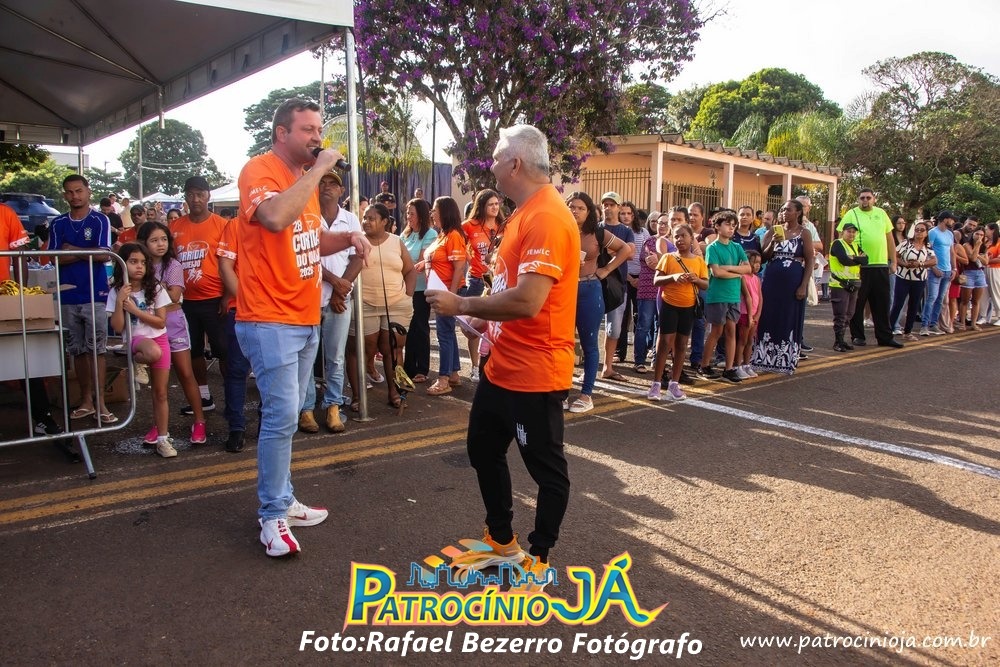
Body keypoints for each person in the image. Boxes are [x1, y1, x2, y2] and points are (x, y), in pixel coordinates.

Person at [425, 124, 580, 592]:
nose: (489, 164)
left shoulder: (547, 216)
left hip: (536, 371)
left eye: (495, 156)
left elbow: (529, 301)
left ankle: (539, 557)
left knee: (546, 470)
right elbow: (508, 286)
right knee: (483, 448)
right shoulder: (523, 213)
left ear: (515, 164)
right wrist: (479, 319)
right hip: (502, 365)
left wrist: (462, 303)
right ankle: (502, 540)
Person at [235, 97, 370, 557]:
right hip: (268, 318)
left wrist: (348, 237)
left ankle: (284, 498)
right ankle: (272, 514)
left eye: (319, 130)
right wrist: (320, 168)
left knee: (289, 416)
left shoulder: (303, 181)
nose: (318, 138)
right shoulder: (260, 170)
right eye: (308, 130)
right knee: (280, 416)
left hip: (304, 315)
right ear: (282, 133)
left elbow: (309, 239)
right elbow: (274, 217)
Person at [50, 174, 117, 425]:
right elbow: (53, 258)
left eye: (79, 190)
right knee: (77, 350)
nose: (74, 196)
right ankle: (86, 400)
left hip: (95, 294)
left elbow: (103, 254)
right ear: (64, 195)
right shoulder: (58, 223)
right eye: (69, 192)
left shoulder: (100, 220)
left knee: (97, 349)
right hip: (67, 294)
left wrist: (72, 250)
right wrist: (84, 253)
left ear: (88, 191)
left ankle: (101, 403)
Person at [300, 170, 363, 433]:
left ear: (341, 191)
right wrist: (336, 282)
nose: (326, 187)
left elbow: (358, 256)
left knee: (336, 357)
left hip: (339, 300)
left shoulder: (351, 219)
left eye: (332, 184)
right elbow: (306, 257)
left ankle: (333, 406)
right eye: (321, 183)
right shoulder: (306, 216)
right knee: (306, 357)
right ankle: (306, 408)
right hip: (308, 299)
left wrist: (340, 290)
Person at [137, 221, 208, 445]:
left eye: (164, 239)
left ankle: (199, 421)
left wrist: (149, 289)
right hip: (151, 326)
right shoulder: (140, 266)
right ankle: (160, 425)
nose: (160, 244)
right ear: (143, 243)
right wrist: (160, 289)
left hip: (174, 322)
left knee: (185, 373)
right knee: (159, 382)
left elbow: (174, 296)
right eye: (154, 240)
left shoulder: (174, 265)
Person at [344, 203, 415, 411]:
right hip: (364, 304)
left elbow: (410, 270)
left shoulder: (396, 241)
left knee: (393, 348)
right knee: (360, 350)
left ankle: (395, 392)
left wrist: (408, 295)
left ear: (385, 221)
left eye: (371, 218)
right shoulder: (356, 241)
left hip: (397, 304)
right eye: (364, 218)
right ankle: (358, 396)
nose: (366, 221)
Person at [170, 176, 229, 415]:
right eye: (191, 194)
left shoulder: (222, 225)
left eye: (200, 194)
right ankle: (204, 396)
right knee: (193, 350)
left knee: (224, 350)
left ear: (208, 196)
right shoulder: (174, 227)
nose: (195, 199)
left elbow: (231, 263)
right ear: (185, 197)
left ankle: (231, 396)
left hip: (215, 299)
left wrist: (227, 296)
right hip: (185, 302)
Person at [107, 243, 173, 456]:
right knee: (152, 353)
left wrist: (135, 310)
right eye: (133, 261)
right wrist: (120, 301)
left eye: (143, 262)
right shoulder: (116, 291)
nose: (139, 267)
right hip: (136, 339)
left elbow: (161, 322)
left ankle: (162, 439)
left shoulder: (156, 288)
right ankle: (137, 362)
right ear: (123, 264)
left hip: (159, 338)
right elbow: (117, 326)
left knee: (161, 393)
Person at [566, 192, 630, 412]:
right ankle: (561, 392)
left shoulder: (597, 233)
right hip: (563, 291)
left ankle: (586, 395)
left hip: (589, 290)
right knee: (563, 344)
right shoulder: (559, 229)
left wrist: (606, 269)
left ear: (589, 212)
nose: (575, 211)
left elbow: (626, 249)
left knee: (589, 344)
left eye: (580, 208)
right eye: (571, 206)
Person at [752, 199, 815, 374]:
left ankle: (785, 359)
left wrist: (803, 285)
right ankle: (763, 358)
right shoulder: (773, 230)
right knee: (769, 315)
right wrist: (773, 242)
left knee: (788, 317)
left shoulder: (804, 233)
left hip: (793, 283)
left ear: (798, 213)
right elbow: (763, 257)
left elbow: (810, 260)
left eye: (788, 210)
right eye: (782, 210)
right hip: (772, 281)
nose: (784, 213)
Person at [648, 224, 707, 401]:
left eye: (683, 236)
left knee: (681, 345)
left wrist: (696, 279)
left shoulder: (698, 261)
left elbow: (706, 284)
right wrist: (673, 277)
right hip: (669, 305)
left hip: (688, 307)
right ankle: (656, 384)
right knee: (665, 343)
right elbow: (656, 280)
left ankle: (674, 384)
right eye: (676, 236)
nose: (680, 239)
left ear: (691, 239)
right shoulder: (668, 258)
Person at [838, 189, 902, 348]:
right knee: (857, 303)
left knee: (882, 303)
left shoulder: (881, 213)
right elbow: (841, 239)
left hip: (880, 265)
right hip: (859, 267)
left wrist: (893, 262)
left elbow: (889, 239)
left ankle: (885, 337)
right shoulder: (851, 214)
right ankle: (857, 336)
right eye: (862, 198)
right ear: (858, 199)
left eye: (868, 197)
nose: (865, 200)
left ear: (874, 199)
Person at [697, 211, 751, 383]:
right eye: (727, 224)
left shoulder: (737, 247)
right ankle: (704, 365)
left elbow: (748, 268)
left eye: (733, 225)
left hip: (733, 295)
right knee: (717, 330)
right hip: (717, 296)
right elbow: (717, 272)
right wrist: (737, 273)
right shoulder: (713, 248)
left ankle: (729, 368)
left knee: (731, 331)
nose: (731, 228)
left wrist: (729, 268)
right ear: (717, 226)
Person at [423, 197, 468, 396]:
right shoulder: (443, 235)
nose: (432, 213)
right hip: (440, 290)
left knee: (444, 334)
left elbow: (459, 268)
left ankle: (443, 379)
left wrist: (450, 295)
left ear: (445, 212)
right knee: (447, 332)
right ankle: (454, 373)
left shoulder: (454, 236)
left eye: (434, 210)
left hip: (447, 291)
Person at [216, 217, 251, 453]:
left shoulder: (282, 222)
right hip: (241, 310)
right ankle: (236, 426)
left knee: (271, 372)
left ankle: (267, 423)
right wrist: (248, 303)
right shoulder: (236, 225)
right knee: (237, 370)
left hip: (276, 313)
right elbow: (225, 266)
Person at [462, 189, 505, 380]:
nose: (495, 207)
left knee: (495, 324)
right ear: (482, 206)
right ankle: (474, 365)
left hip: (497, 280)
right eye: (490, 204)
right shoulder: (469, 226)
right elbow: (458, 246)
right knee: (474, 325)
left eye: (497, 204)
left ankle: (492, 363)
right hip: (476, 279)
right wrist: (470, 259)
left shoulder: (503, 226)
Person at [596, 192, 635, 379]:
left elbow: (631, 253)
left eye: (612, 205)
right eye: (605, 204)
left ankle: (608, 367)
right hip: (595, 282)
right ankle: (592, 367)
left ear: (618, 207)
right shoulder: (596, 228)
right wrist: (618, 249)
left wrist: (609, 249)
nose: (608, 208)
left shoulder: (626, 231)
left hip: (618, 285)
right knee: (591, 326)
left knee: (614, 330)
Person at [401, 198, 438, 384]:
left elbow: (421, 261)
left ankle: (422, 368)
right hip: (405, 288)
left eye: (412, 213)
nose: (408, 217)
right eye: (407, 213)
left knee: (420, 328)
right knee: (408, 329)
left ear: (421, 216)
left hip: (421, 289)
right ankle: (409, 367)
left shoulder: (430, 234)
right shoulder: (405, 234)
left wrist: (405, 265)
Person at [634, 212, 673, 373]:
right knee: (644, 325)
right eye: (659, 223)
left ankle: (657, 360)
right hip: (648, 288)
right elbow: (653, 263)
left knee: (661, 326)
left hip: (665, 290)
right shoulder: (650, 241)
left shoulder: (673, 243)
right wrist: (670, 264)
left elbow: (663, 262)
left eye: (665, 223)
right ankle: (639, 360)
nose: (662, 225)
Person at [888, 221, 935, 341]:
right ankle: (888, 330)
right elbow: (895, 256)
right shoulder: (906, 243)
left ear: (926, 233)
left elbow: (934, 260)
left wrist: (921, 264)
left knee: (913, 305)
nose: (919, 232)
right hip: (903, 277)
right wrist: (905, 264)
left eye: (922, 230)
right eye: (917, 230)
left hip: (919, 279)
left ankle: (908, 332)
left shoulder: (927, 246)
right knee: (898, 304)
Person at [614, 200, 648, 364]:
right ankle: (619, 352)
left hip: (641, 278)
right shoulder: (617, 232)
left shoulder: (643, 232)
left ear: (634, 215)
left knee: (640, 316)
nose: (626, 216)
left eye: (629, 213)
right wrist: (630, 279)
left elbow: (647, 255)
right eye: (623, 213)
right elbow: (616, 257)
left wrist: (640, 278)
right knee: (623, 315)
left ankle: (639, 355)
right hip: (623, 277)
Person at [828, 222, 868, 351]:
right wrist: (857, 259)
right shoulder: (837, 244)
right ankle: (838, 342)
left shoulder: (855, 245)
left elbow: (866, 260)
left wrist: (852, 258)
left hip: (853, 284)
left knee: (849, 313)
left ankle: (842, 339)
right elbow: (843, 260)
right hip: (840, 284)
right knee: (840, 314)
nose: (851, 234)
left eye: (853, 232)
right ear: (842, 232)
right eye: (849, 231)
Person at [921, 211, 957, 336]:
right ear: (945, 219)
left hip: (947, 270)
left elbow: (952, 252)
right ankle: (924, 325)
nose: (953, 222)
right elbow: (927, 250)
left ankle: (934, 324)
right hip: (935, 270)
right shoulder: (933, 232)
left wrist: (954, 269)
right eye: (951, 219)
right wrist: (933, 267)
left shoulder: (950, 234)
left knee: (940, 299)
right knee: (931, 298)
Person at [735, 250, 762, 377]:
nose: (757, 265)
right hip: (745, 313)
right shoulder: (742, 277)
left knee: (750, 340)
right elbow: (747, 297)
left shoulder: (757, 279)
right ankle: (737, 366)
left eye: (759, 263)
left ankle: (747, 364)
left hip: (754, 315)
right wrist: (750, 316)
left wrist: (757, 314)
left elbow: (760, 298)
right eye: (754, 262)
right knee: (742, 340)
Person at [959, 228, 989, 330]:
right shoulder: (966, 245)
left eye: (981, 235)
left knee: (976, 301)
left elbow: (986, 262)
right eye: (977, 234)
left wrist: (978, 255)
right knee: (965, 300)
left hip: (979, 273)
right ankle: (962, 323)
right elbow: (972, 258)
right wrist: (977, 246)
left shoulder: (984, 247)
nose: (979, 237)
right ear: (973, 234)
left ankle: (973, 323)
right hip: (968, 273)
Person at [984, 222, 1000, 326]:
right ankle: (983, 316)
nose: (985, 231)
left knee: (996, 292)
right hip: (985, 269)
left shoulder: (998, 242)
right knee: (984, 294)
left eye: (986, 229)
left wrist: (986, 261)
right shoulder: (985, 242)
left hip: (995, 269)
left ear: (992, 230)